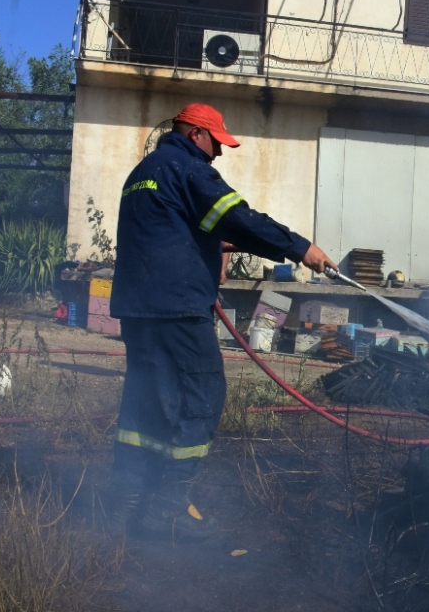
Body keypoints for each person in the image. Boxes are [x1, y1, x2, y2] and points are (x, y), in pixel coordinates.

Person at [109, 103, 337, 541]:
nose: (217, 153)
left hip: (138, 307)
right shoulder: (188, 168)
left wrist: (211, 245)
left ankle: (129, 501)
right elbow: (237, 217)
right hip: (177, 307)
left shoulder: (143, 173)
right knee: (204, 395)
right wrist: (299, 247)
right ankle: (169, 508)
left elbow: (168, 228)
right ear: (195, 133)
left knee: (146, 400)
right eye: (215, 143)